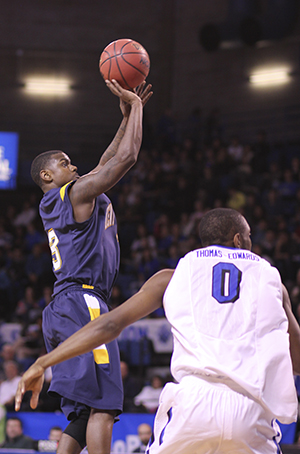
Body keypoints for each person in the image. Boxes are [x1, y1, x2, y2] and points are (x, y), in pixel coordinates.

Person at [15, 208, 300, 454]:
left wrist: (43, 362)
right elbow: (296, 362)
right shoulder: (270, 278)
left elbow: (109, 324)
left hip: (193, 405)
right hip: (251, 408)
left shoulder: (173, 275)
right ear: (239, 239)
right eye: (248, 234)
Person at [28, 78, 152, 454]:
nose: (75, 165)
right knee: (104, 404)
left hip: (68, 304)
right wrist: (140, 110)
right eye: (65, 162)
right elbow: (125, 159)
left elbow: (105, 161)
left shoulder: (73, 195)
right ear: (47, 176)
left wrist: (127, 116)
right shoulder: (75, 194)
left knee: (83, 410)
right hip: (84, 303)